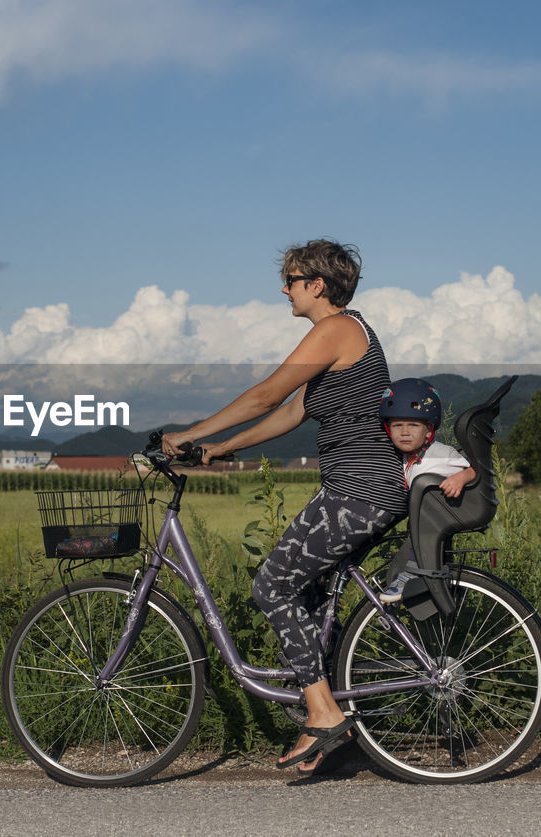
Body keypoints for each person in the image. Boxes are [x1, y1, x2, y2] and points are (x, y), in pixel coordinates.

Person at [162, 239, 406, 776]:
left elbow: (266, 396)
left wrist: (188, 433)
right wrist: (220, 449)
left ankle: (322, 714)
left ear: (317, 285)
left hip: (360, 490)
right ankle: (335, 714)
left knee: (271, 586)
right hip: (355, 487)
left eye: (292, 279)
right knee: (311, 596)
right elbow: (293, 411)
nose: (284, 288)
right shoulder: (342, 336)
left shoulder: (336, 330)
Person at [375, 377, 476, 604]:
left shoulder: (440, 453)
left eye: (413, 425)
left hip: (440, 518)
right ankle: (389, 611)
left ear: (428, 430)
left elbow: (476, 471)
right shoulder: (401, 458)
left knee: (418, 555)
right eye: (397, 425)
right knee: (401, 563)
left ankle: (410, 581)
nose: (405, 432)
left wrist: (461, 477)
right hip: (424, 521)